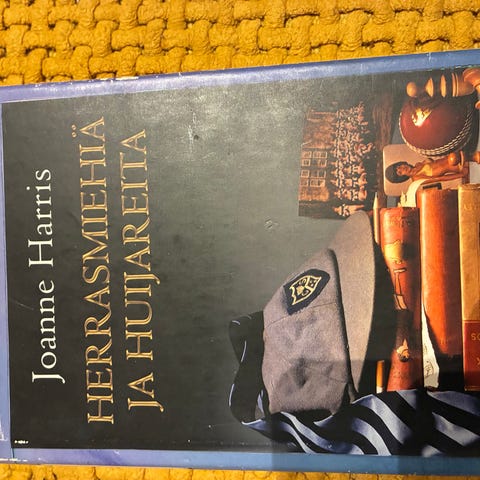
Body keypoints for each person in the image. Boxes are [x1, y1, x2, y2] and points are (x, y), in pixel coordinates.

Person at [385, 150, 475, 184]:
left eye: (399, 166)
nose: (403, 168)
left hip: (459, 155)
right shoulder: (417, 180)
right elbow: (441, 178)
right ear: (402, 177)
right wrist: (462, 175)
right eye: (400, 172)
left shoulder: (418, 164)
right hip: (461, 167)